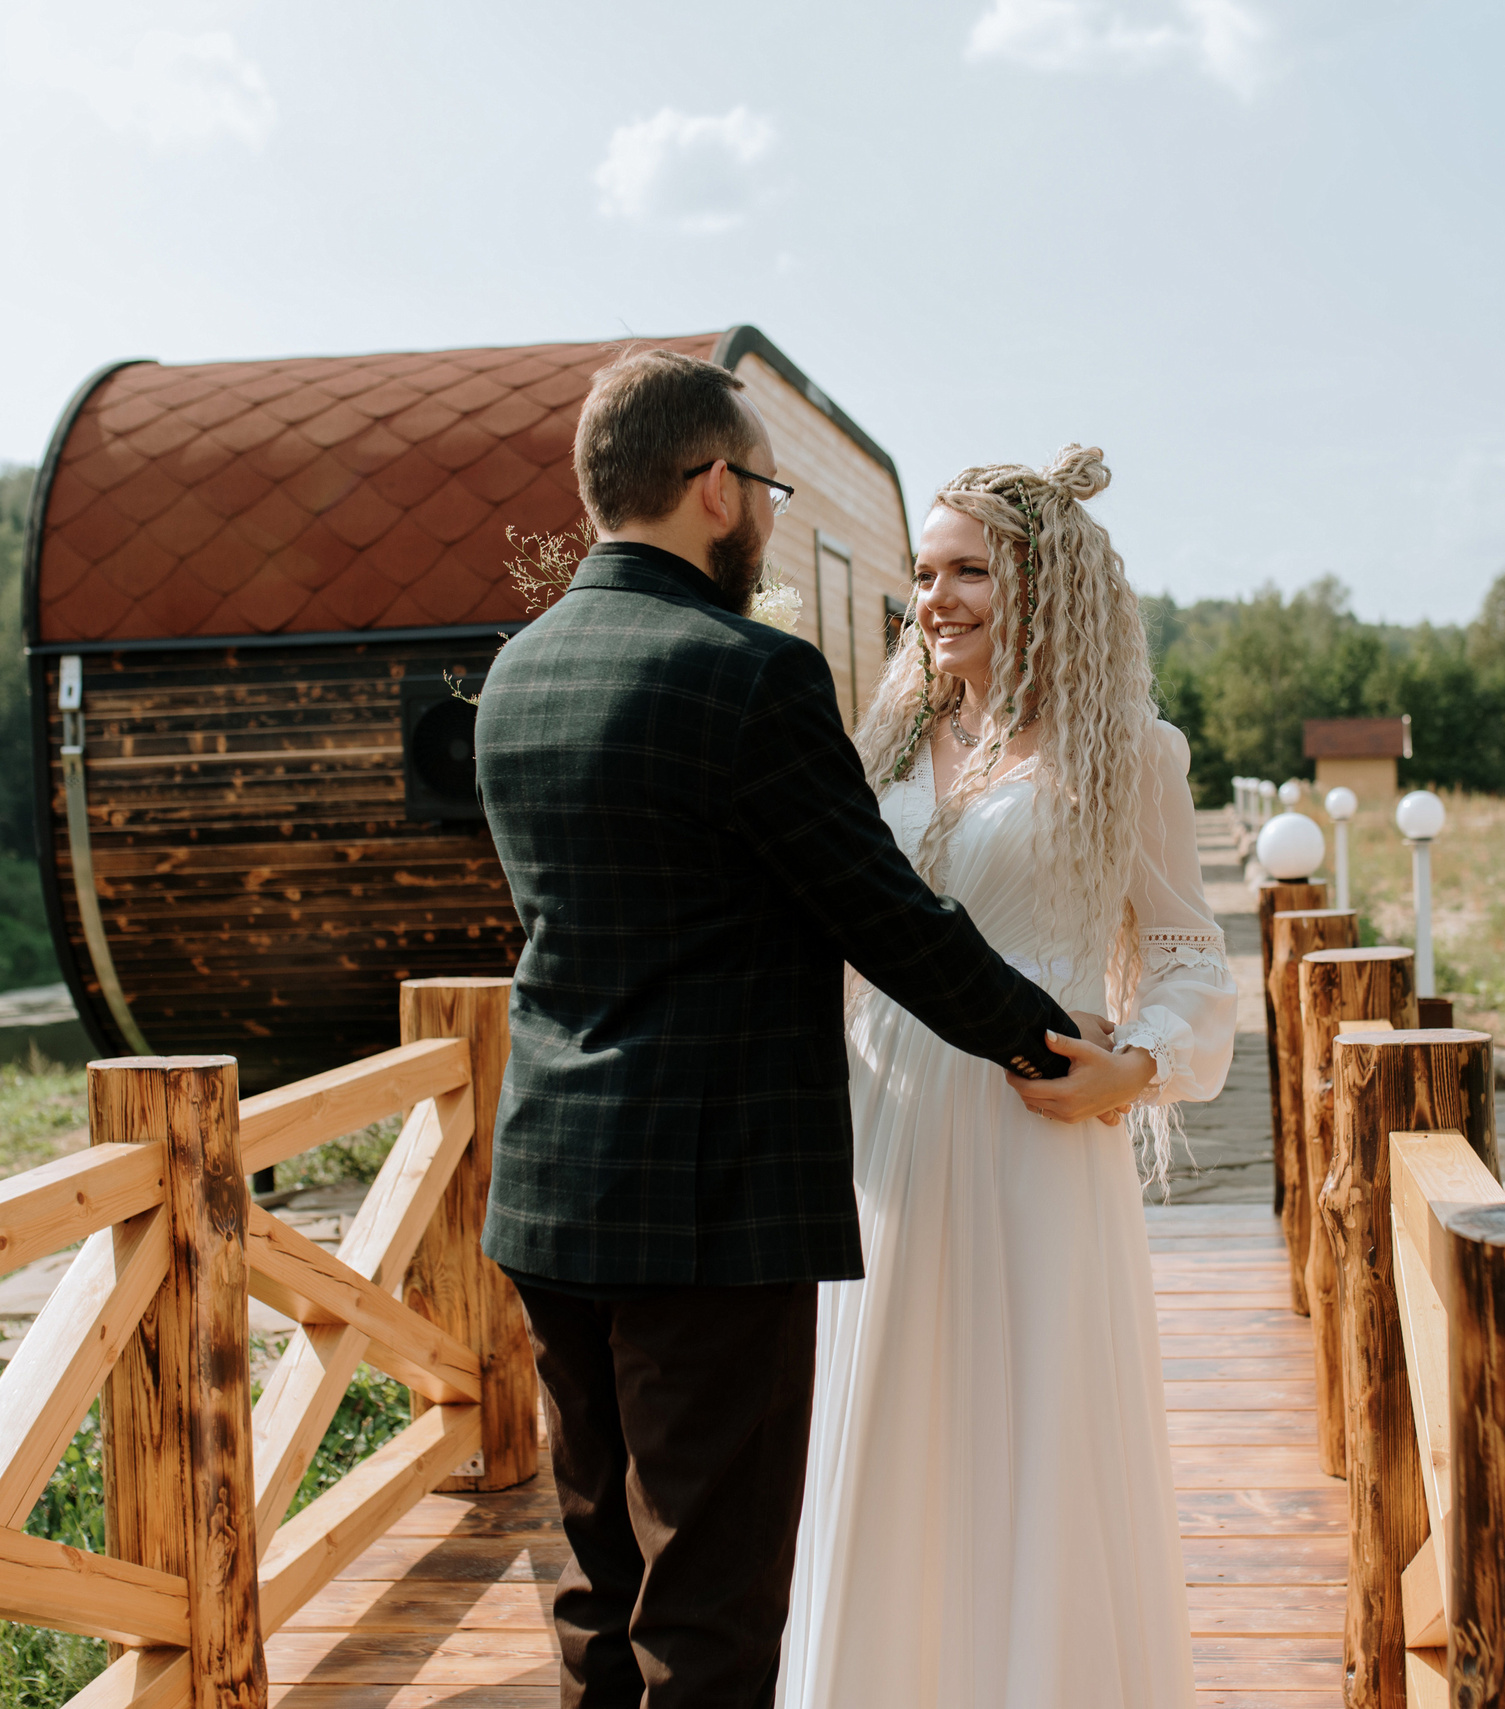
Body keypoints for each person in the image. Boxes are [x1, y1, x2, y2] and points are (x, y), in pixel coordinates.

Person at [471, 350, 1139, 1708]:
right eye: (766, 488)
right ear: (714, 487)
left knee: (598, 1588)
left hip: (548, 1191)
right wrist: (1047, 1043)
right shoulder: (751, 677)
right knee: (710, 1609)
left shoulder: (520, 671)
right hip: (710, 1212)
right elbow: (883, 918)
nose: (769, 517)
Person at [778, 447, 1235, 1709]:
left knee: (1027, 1448)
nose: (936, 597)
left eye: (970, 568)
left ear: (1050, 586)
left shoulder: (1127, 752)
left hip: (1032, 1132)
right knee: (884, 1438)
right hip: (880, 1131)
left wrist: (1133, 1069)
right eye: (922, 573)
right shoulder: (882, 743)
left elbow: (1193, 947)